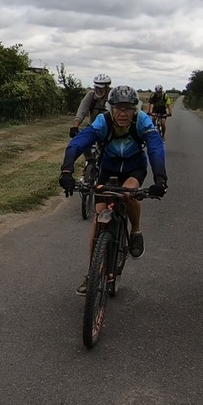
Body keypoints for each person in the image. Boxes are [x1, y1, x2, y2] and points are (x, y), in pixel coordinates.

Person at [59, 85, 167, 294]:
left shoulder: (142, 121)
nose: (123, 113)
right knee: (98, 215)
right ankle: (92, 274)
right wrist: (66, 170)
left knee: (128, 192)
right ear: (111, 108)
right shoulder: (103, 121)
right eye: (118, 108)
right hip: (108, 168)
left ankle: (135, 231)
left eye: (128, 108)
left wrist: (160, 179)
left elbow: (155, 147)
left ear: (135, 109)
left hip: (134, 168)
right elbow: (79, 142)